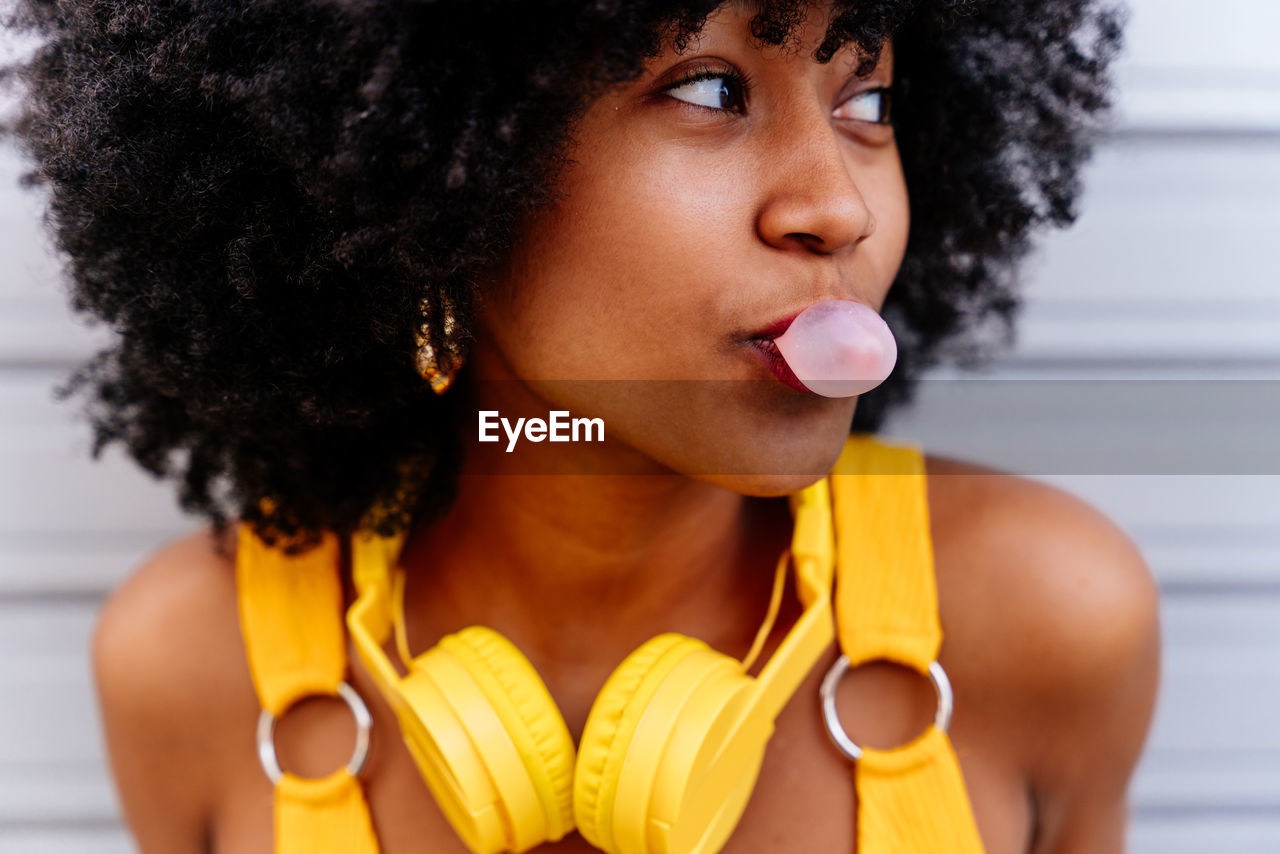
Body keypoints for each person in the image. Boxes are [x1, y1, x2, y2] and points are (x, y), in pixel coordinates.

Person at [0, 0, 1160, 851]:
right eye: (709, 88)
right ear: (433, 176)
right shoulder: (194, 667)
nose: (836, 205)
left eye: (867, 104)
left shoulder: (1041, 618)